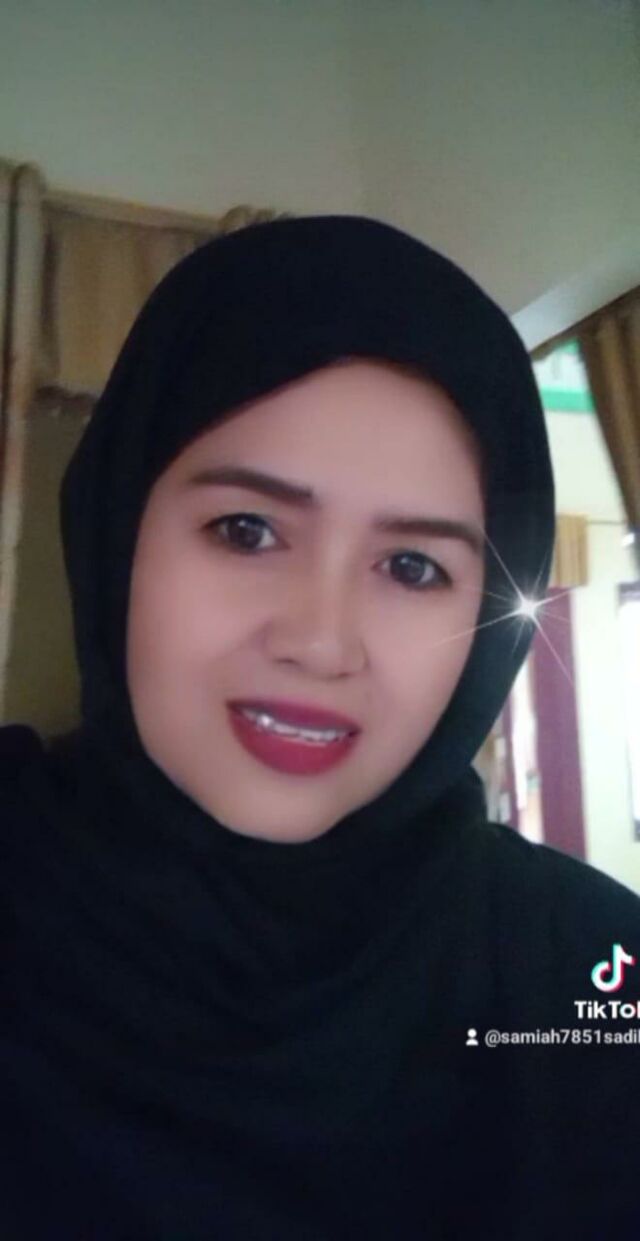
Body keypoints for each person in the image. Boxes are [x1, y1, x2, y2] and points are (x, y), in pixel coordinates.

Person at [1, 214, 639, 1240]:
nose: (320, 641)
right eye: (246, 529)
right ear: (118, 536)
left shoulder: (588, 977)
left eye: (413, 566)